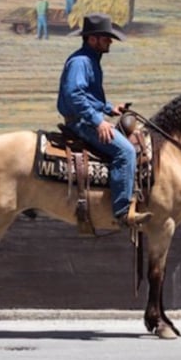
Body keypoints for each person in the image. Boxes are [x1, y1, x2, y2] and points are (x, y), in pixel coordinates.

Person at [57, 13, 152, 228]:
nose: (110, 41)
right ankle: (122, 211)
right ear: (92, 39)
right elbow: (74, 95)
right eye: (106, 37)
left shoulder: (90, 60)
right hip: (81, 122)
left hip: (87, 117)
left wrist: (110, 108)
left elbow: (88, 96)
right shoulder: (81, 62)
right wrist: (98, 122)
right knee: (125, 151)